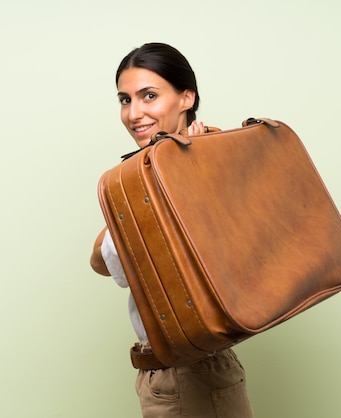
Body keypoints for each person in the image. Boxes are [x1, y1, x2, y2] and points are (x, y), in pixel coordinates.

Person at [90, 42, 253, 418]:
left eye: (149, 96)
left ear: (186, 97)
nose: (134, 113)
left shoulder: (202, 161)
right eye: (125, 99)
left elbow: (105, 258)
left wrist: (180, 170)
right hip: (184, 371)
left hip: (187, 374)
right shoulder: (152, 170)